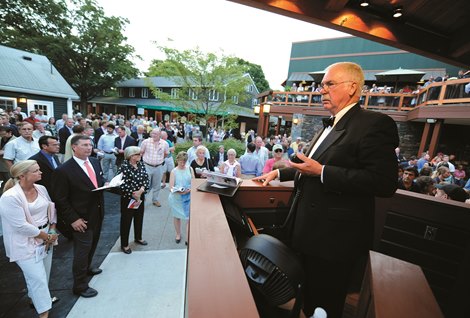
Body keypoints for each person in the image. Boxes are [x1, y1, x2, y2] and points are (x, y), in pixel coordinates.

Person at [253, 62, 399, 318]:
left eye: (329, 84)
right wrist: (280, 172)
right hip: (305, 229)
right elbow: (310, 165)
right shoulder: (326, 125)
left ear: (352, 87)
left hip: (334, 240)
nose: (322, 90)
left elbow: (383, 182)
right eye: (322, 85)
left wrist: (323, 172)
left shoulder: (375, 124)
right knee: (306, 298)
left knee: (325, 304)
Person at [0, 160, 59, 318]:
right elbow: (20, 226)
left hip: (46, 236)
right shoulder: (9, 197)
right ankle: (44, 312)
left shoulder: (41, 188)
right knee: (37, 278)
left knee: (43, 275)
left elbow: (50, 208)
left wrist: (52, 228)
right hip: (24, 243)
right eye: (36, 171)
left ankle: (37, 299)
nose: (40, 173)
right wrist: (46, 236)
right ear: (22, 175)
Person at [51, 135, 105, 298]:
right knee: (82, 251)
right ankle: (80, 285)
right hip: (80, 218)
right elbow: (60, 199)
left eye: (90, 144)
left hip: (97, 213)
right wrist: (73, 219)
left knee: (92, 245)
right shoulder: (63, 170)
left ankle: (88, 268)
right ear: (74, 147)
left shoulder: (95, 162)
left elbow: (97, 184)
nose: (89, 148)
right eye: (84, 145)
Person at [117, 146, 150, 254]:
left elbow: (146, 178)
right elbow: (121, 183)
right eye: (137, 154)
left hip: (140, 196)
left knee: (139, 217)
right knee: (126, 221)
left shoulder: (141, 164)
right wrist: (133, 193)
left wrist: (141, 190)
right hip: (128, 198)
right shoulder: (124, 167)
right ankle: (124, 244)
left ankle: (138, 237)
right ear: (131, 156)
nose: (140, 156)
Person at [169, 151, 194, 245]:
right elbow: (171, 187)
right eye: (181, 161)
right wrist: (179, 191)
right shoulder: (174, 172)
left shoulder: (190, 169)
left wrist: (189, 190)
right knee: (177, 216)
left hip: (188, 197)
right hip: (177, 198)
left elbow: (194, 181)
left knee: (189, 218)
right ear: (177, 160)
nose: (182, 163)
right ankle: (178, 234)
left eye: (184, 161)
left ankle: (188, 237)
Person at [140, 129, 169, 207]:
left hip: (158, 167)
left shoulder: (164, 143)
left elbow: (166, 154)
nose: (154, 135)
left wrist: (159, 160)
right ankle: (143, 200)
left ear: (160, 134)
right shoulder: (145, 142)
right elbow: (141, 153)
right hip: (147, 166)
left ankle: (155, 200)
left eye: (156, 134)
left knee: (157, 185)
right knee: (146, 184)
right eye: (152, 133)